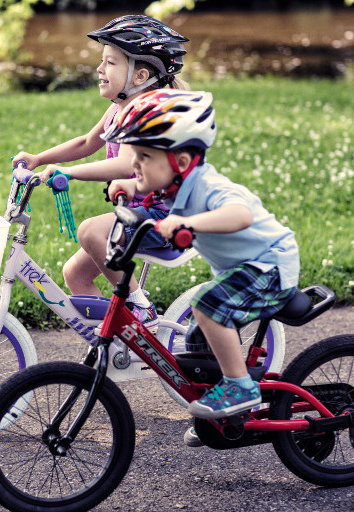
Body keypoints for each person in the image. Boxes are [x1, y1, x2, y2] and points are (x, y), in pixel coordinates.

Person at [105, 89, 300, 421]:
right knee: (197, 341)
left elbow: (240, 215)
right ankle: (221, 419)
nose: (134, 164)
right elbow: (151, 189)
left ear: (181, 162)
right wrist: (132, 186)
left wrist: (188, 223)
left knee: (206, 306)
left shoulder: (210, 186)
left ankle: (241, 388)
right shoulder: (173, 185)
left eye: (144, 156)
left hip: (270, 267)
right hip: (243, 270)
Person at [12, 15, 190, 332]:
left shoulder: (145, 113)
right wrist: (39, 158)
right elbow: (86, 143)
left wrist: (70, 173)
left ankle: (140, 307)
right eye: (102, 61)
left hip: (164, 218)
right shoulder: (118, 109)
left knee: (91, 231)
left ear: (140, 76)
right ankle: (124, 342)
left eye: (110, 62)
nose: (99, 69)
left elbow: (126, 164)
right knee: (76, 274)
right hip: (138, 214)